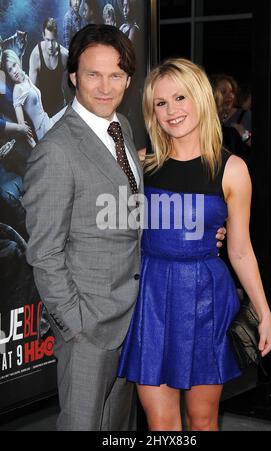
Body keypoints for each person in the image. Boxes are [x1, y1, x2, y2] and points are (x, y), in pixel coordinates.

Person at [117, 58, 271, 431]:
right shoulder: (141, 164)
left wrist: (263, 310)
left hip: (205, 300)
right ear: (152, 112)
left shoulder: (232, 169)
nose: (172, 110)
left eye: (180, 97)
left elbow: (239, 249)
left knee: (203, 421)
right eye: (161, 103)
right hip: (151, 299)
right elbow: (122, 233)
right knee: (160, 423)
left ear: (201, 99)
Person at [22, 23, 141, 432]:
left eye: (115, 74)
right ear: (73, 76)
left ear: (127, 77)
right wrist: (76, 325)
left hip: (129, 316)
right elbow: (44, 252)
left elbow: (126, 214)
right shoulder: (55, 151)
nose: (105, 87)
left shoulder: (120, 127)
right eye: (93, 74)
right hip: (88, 328)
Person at [2, 50, 66, 147]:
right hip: (44, 132)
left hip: (48, 122)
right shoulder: (17, 91)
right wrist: (38, 151)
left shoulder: (26, 78)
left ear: (18, 62)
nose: (14, 71)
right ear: (8, 74)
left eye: (14, 65)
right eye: (10, 70)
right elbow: (23, 129)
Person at [29, 18, 68, 117]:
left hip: (60, 105)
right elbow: (32, 91)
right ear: (43, 35)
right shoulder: (36, 55)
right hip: (42, 109)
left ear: (57, 37)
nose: (50, 45)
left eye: (53, 40)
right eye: (47, 40)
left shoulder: (64, 55)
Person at [212, 73, 252, 147]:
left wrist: (244, 134)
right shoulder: (208, 119)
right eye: (223, 92)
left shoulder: (244, 116)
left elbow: (261, 148)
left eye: (231, 91)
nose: (230, 96)